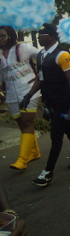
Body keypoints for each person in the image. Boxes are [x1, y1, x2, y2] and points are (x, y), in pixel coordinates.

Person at [19, 24, 70, 187]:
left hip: (62, 102)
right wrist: (29, 96)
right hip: (50, 101)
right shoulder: (41, 55)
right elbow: (40, 78)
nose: (39, 37)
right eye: (38, 34)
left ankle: (48, 172)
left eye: (42, 34)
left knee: (56, 136)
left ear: (52, 36)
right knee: (67, 128)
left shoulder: (63, 55)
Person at [0, 26, 41, 170]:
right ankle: (34, 152)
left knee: (26, 123)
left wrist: (41, 75)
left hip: (29, 90)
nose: (0, 40)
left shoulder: (23, 48)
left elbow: (43, 56)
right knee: (21, 124)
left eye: (2, 36)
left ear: (10, 35)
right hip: (11, 94)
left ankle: (22, 160)